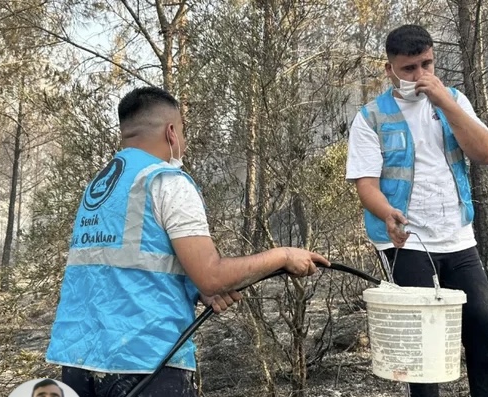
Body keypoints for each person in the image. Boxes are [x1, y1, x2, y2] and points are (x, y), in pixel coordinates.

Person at [45, 86, 329, 397]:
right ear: (171, 132)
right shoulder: (166, 181)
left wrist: (197, 289)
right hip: (146, 361)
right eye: (182, 128)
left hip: (78, 360)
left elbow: (123, 267)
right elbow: (212, 274)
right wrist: (284, 255)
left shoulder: (99, 188)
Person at [345, 25, 488, 397]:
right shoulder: (371, 117)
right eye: (409, 69)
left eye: (426, 64)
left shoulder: (454, 101)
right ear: (389, 70)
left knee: (483, 326)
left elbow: (486, 153)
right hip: (407, 242)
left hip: (457, 237)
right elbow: (366, 185)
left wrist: (445, 103)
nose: (420, 76)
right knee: (423, 345)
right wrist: (387, 213)